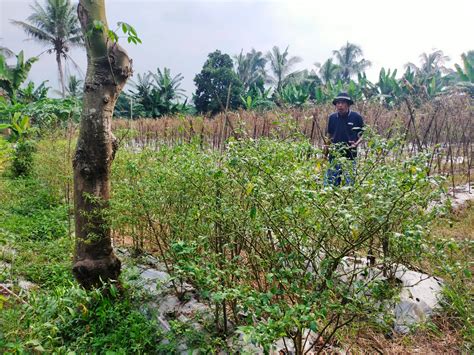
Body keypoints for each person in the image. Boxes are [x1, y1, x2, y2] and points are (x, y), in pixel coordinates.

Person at [324, 92, 364, 186]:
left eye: (342, 103)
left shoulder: (356, 117)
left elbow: (364, 134)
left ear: (348, 104)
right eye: (338, 103)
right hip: (334, 156)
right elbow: (329, 136)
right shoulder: (332, 118)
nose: (340, 105)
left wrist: (356, 144)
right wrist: (325, 154)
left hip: (350, 156)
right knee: (331, 184)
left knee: (349, 184)